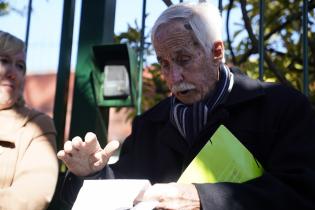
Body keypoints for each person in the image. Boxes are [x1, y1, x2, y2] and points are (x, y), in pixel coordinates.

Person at [57, 2, 315, 210]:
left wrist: (202, 198)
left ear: (216, 52)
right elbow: (125, 191)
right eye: (164, 64)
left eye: (183, 59)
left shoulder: (280, 106)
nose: (174, 77)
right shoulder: (149, 125)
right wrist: (92, 175)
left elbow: (303, 192)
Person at [0, 31, 58, 210]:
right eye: (4, 61)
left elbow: (29, 200)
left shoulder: (35, 125)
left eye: (20, 66)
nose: (13, 73)